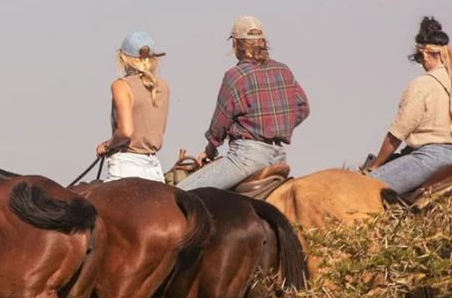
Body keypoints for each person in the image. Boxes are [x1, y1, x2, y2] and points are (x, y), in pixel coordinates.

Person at [177, 15, 309, 191]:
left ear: (235, 44)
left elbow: (219, 124)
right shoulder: (283, 70)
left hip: (246, 158)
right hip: (278, 156)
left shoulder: (235, 75)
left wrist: (210, 150)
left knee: (179, 194)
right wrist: (275, 125)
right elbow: (303, 108)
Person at [363, 17, 452, 194]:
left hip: (430, 159)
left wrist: (375, 166)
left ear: (426, 55)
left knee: (365, 188)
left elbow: (398, 132)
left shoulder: (421, 84)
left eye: (421, 59)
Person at [96, 31, 170, 182]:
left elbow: (125, 131)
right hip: (154, 168)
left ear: (124, 58)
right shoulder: (163, 86)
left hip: (126, 165)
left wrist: (106, 146)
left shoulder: (121, 86)